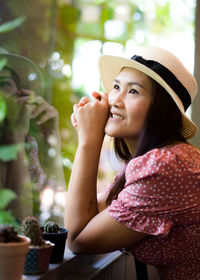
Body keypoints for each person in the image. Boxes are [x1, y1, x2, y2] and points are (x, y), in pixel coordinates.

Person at [65, 46, 200, 280]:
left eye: (134, 91)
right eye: (116, 87)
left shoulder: (166, 166)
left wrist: (89, 141)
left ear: (162, 110)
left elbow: (77, 238)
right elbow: (89, 212)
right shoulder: (151, 163)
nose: (114, 100)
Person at [0, 48, 65, 222]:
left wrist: (52, 137)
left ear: (21, 95)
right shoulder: (18, 140)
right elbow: (16, 224)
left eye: (4, 84)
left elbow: (53, 213)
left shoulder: (28, 143)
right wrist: (15, 137)